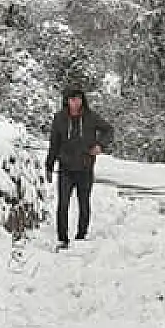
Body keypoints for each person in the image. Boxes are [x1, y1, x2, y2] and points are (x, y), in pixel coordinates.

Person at [45, 84, 114, 248]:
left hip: (85, 168)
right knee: (63, 204)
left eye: (78, 99)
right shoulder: (60, 118)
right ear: (67, 101)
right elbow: (54, 143)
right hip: (65, 169)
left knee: (84, 203)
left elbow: (109, 130)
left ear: (82, 100)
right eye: (72, 99)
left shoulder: (91, 117)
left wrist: (100, 145)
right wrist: (49, 166)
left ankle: (81, 236)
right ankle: (62, 239)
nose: (75, 102)